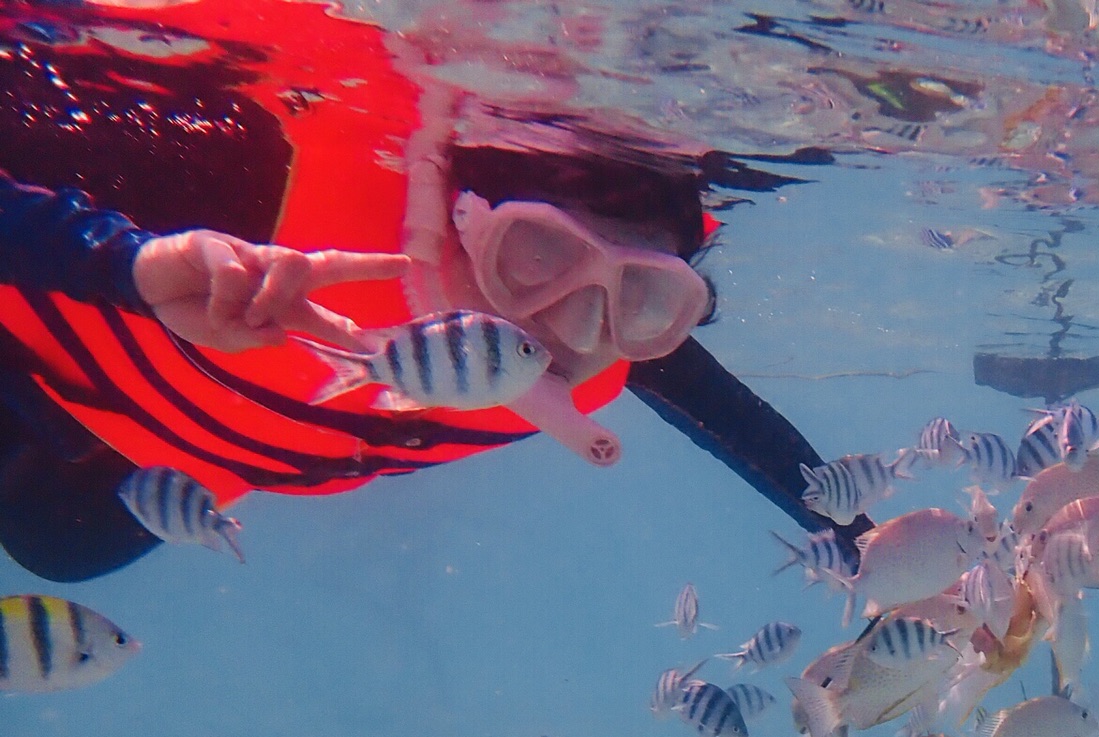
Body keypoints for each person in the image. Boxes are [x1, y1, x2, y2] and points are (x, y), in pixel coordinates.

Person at [0, 1, 860, 582]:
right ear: (459, 220)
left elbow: (733, 422)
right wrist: (121, 263)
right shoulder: (250, 197)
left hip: (146, 482)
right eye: (536, 256)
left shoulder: (601, 338)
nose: (569, 327)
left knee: (60, 548)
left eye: (643, 299)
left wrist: (864, 547)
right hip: (34, 387)